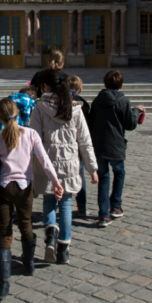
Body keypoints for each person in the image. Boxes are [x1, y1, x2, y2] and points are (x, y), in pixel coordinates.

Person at [0, 98, 63, 302]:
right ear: (18, 114)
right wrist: (56, 182)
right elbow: (43, 159)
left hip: (4, 188)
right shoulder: (31, 134)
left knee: (4, 231)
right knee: (26, 224)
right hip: (25, 188)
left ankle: (4, 284)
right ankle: (29, 264)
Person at [30, 69, 98, 265]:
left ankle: (50, 234)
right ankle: (63, 250)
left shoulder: (39, 108)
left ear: (45, 87)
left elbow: (33, 141)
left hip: (46, 164)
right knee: (66, 205)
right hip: (69, 164)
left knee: (49, 201)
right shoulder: (76, 107)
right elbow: (85, 141)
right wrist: (92, 169)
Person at [89, 70, 145, 228]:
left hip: (99, 145)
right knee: (119, 173)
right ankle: (116, 206)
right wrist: (136, 111)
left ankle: (103, 215)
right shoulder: (123, 101)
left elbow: (92, 122)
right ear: (121, 85)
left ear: (105, 83)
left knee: (103, 178)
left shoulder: (97, 100)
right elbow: (130, 124)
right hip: (116, 145)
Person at [67, 75, 91, 218]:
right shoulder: (84, 104)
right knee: (80, 174)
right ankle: (82, 206)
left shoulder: (60, 102)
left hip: (65, 143)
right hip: (78, 144)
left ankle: (59, 202)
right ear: (80, 89)